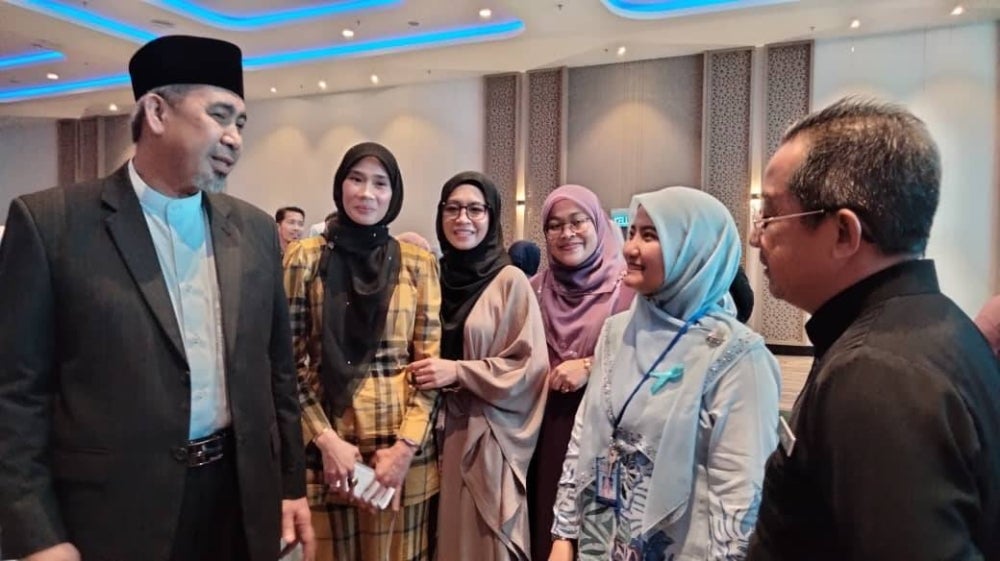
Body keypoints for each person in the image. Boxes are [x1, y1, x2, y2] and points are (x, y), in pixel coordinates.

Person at [0, 35, 313, 561]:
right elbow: (14, 395)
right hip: (115, 515)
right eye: (219, 115)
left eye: (241, 123)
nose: (235, 137)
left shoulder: (256, 230)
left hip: (239, 502)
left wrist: (290, 485)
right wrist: (39, 535)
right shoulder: (52, 225)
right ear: (157, 112)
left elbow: (277, 372)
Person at [747, 98, 1000, 560]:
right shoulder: (930, 325)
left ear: (844, 233)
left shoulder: (875, 374)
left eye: (770, 215)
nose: (756, 236)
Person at [550, 186, 781, 561]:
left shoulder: (735, 355)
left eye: (650, 235)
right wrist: (564, 533)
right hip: (603, 540)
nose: (630, 248)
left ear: (693, 251)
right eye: (632, 233)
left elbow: (741, 497)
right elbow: (584, 434)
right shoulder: (617, 331)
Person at [283, 142, 441, 561]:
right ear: (340, 186)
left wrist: (404, 449)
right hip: (329, 458)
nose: (366, 193)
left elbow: (429, 369)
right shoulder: (305, 259)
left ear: (394, 194)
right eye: (356, 179)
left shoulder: (417, 263)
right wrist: (326, 439)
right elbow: (284, 364)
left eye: (380, 183)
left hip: (399, 460)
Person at [408, 171, 548, 561]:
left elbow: (530, 369)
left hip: (482, 438)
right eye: (452, 209)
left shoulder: (509, 281)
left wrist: (459, 371)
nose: (462, 219)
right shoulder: (432, 277)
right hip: (426, 437)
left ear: (491, 216)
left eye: (474, 209)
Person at [525, 184, 634, 561]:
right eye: (554, 225)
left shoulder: (630, 291)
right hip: (545, 428)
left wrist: (591, 366)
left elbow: (650, 361)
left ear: (599, 224)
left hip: (606, 433)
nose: (567, 233)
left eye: (577, 221)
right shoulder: (534, 290)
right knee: (545, 525)